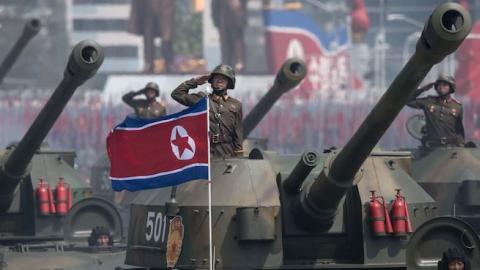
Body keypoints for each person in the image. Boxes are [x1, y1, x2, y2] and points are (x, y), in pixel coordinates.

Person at [171, 64, 243, 158]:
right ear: (211, 81)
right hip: (204, 149)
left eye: (223, 78)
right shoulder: (201, 100)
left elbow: (238, 131)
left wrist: (239, 153)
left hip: (227, 151)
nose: (219, 80)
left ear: (229, 83)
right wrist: (195, 81)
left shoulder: (236, 104)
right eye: (216, 78)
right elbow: (177, 94)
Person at [407, 75, 465, 147]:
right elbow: (408, 101)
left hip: (451, 147)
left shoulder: (457, 106)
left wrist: (461, 146)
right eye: (439, 85)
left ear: (451, 88)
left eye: (445, 85)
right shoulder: (429, 101)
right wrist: (422, 89)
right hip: (432, 147)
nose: (441, 87)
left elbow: (459, 130)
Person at [128, 0, 175, 73]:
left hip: (164, 5)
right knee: (148, 33)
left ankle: (169, 63)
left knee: (167, 33)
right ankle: (149, 63)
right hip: (147, 6)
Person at [211, 0, 248, 72]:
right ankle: (227, 64)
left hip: (236, 16)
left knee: (237, 39)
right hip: (223, 17)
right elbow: (215, 5)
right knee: (225, 42)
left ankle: (239, 62)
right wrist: (215, 19)